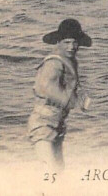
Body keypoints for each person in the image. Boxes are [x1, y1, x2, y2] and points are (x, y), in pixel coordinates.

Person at [28, 19, 92, 171]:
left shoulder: (70, 61)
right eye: (67, 42)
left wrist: (81, 98)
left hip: (57, 124)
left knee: (58, 170)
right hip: (43, 123)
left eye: (75, 42)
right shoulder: (54, 62)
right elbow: (45, 87)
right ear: (58, 42)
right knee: (50, 170)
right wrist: (72, 102)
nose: (71, 47)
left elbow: (67, 88)